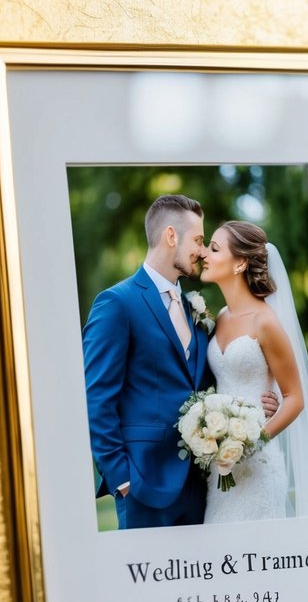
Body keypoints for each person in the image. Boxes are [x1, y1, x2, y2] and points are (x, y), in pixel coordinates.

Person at [82, 194, 214, 529]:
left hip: (200, 486)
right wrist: (121, 478)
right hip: (143, 484)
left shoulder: (193, 307)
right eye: (198, 240)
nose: (202, 251)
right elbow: (96, 396)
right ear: (171, 236)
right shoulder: (116, 303)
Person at [200, 221, 308, 522]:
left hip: (257, 467)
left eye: (214, 248)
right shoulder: (221, 317)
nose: (204, 255)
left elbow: (295, 398)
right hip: (220, 468)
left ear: (239, 264)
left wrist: (251, 442)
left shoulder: (265, 321)